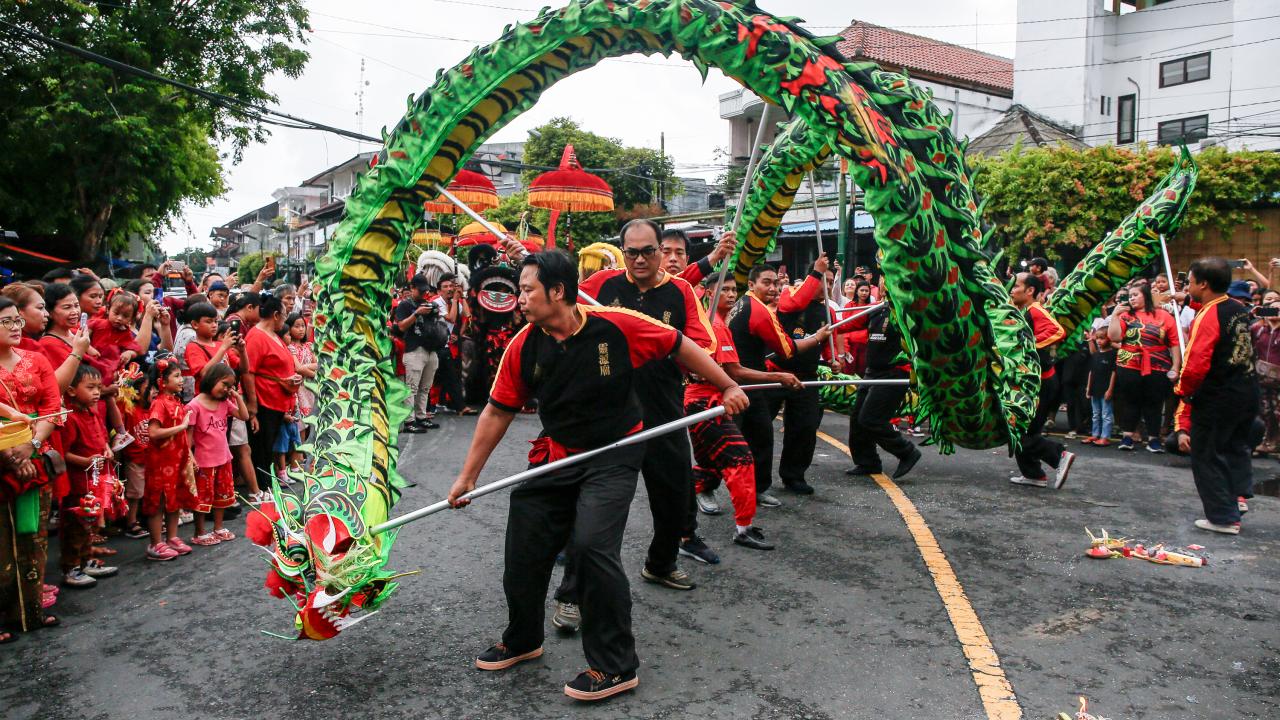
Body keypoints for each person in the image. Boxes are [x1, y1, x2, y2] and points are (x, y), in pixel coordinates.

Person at [444, 250, 748, 702]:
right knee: (525, 541)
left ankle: (615, 666)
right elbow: (497, 410)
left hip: (614, 452)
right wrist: (468, 477)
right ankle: (523, 638)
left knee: (590, 547)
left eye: (527, 290)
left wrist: (727, 384)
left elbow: (678, 343)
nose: (520, 299)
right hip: (558, 453)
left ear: (558, 291)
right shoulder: (525, 344)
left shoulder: (617, 325)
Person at [579, 219, 718, 577]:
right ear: (623, 252)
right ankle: (579, 577)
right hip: (608, 410)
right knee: (596, 498)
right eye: (632, 252)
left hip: (662, 408)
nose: (640, 259)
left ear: (659, 250)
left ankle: (661, 563)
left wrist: (673, 353)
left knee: (674, 493)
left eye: (648, 251)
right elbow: (563, 308)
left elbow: (704, 344)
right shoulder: (601, 285)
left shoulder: (681, 291)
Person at [688, 278, 791, 550]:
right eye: (725, 289)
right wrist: (778, 376)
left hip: (705, 402)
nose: (732, 294)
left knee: (708, 462)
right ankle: (742, 529)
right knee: (740, 460)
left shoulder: (716, 324)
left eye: (734, 289)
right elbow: (735, 372)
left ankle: (685, 527)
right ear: (709, 293)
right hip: (706, 403)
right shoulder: (715, 326)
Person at [728, 263, 831, 507]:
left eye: (776, 283)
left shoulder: (747, 303)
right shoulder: (762, 309)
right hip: (751, 381)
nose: (773, 288)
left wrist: (831, 355)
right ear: (751, 284)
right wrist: (816, 338)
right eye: (767, 283)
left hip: (755, 380)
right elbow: (786, 349)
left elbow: (835, 339)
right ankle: (710, 488)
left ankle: (759, 487)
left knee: (765, 434)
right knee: (739, 439)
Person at [1177, 258, 1260, 535]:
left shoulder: (1209, 316)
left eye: (1190, 282)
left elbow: (1195, 363)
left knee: (1207, 453)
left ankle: (1223, 517)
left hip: (1219, 395)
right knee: (1234, 447)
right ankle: (1236, 499)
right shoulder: (1237, 308)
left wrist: (1183, 391)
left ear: (1203, 284)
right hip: (1247, 389)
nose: (1187, 287)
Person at [0, 296, 64, 639]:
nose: (15, 327)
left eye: (17, 320)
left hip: (36, 458)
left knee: (33, 537)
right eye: (5, 321)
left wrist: (31, 446)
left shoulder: (36, 360)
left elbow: (52, 407)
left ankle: (31, 611)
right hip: (3, 460)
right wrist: (9, 455)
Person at [768, 253, 837, 495]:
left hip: (807, 376)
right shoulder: (789, 294)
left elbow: (829, 344)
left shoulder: (827, 312)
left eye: (831, 282)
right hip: (775, 373)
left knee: (804, 428)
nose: (828, 286)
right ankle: (756, 478)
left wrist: (833, 361)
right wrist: (817, 271)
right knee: (760, 425)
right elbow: (792, 305)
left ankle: (794, 475)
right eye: (824, 280)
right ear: (812, 278)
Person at [844, 283, 921, 479]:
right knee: (857, 419)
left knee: (871, 419)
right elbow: (847, 325)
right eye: (883, 281)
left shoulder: (907, 310)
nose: (885, 285)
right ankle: (867, 462)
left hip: (894, 373)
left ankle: (907, 451)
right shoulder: (876, 308)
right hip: (872, 372)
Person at [1008, 272, 1075, 489]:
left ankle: (1059, 455)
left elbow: (1057, 331)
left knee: (1020, 432)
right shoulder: (1021, 311)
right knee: (1025, 430)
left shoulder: (1035, 310)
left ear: (1030, 291)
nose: (1011, 289)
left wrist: (1028, 345)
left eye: (1016, 286)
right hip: (1033, 382)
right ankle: (1033, 474)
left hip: (1041, 383)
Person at [59, 364, 119, 587]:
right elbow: (63, 453)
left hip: (94, 481)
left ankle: (85, 561)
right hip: (77, 483)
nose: (96, 393)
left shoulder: (92, 412)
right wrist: (85, 461)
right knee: (75, 526)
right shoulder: (70, 418)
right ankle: (72, 568)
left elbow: (103, 437)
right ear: (71, 390)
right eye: (90, 387)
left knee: (89, 525)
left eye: (99, 388)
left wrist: (107, 449)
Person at [1107, 280, 1181, 452]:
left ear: (1145, 296)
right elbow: (1114, 337)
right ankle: (1127, 437)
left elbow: (1174, 343)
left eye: (1135, 295)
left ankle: (1154, 439)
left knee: (1154, 402)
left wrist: (1176, 366)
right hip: (1129, 364)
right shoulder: (1125, 315)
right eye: (1130, 296)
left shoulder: (1164, 316)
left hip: (1158, 365)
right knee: (1130, 400)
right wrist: (1115, 315)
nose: (1131, 299)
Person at [241, 292, 300, 494]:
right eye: (284, 316)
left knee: (270, 445)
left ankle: (268, 485)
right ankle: (262, 488)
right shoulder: (256, 336)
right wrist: (252, 404)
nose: (284, 320)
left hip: (278, 400)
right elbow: (248, 372)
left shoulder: (273, 335)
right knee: (262, 448)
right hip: (264, 401)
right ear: (275, 315)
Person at [186, 364, 249, 546]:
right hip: (204, 461)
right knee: (203, 498)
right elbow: (187, 438)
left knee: (222, 496)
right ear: (212, 379)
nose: (227, 389)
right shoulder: (194, 406)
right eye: (224, 384)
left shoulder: (224, 403)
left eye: (230, 386)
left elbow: (244, 416)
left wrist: (237, 396)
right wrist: (190, 457)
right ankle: (200, 532)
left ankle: (218, 527)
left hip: (224, 457)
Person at [144, 358, 194, 561]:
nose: (181, 380)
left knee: (175, 498)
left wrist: (189, 455)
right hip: (160, 462)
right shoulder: (159, 403)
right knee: (159, 501)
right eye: (176, 376)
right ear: (162, 382)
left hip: (176, 459)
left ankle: (172, 537)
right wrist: (181, 427)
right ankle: (156, 543)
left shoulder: (175, 402)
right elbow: (153, 433)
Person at [393, 274, 445, 433]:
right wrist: (417, 313)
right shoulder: (405, 305)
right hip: (414, 349)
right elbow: (401, 326)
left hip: (431, 348)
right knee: (411, 387)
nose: (424, 293)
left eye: (425, 291)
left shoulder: (428, 304)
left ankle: (421, 417)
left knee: (425, 387)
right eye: (420, 290)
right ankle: (409, 421)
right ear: (412, 288)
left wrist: (433, 311)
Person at [1251, 291, 1280, 454]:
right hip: (1261, 377)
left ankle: (1276, 443)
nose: (1275, 311)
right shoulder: (1258, 328)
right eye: (1272, 308)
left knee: (1278, 411)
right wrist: (1252, 314)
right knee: (1266, 411)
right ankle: (1268, 441)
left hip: (1278, 379)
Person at [1083, 327, 1117, 447]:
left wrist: (1110, 389)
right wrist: (1088, 387)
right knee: (1096, 413)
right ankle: (1095, 434)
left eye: (1102, 338)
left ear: (1109, 339)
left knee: (1106, 414)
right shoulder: (1096, 355)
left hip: (1105, 389)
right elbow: (1091, 372)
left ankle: (1105, 437)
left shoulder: (1112, 354)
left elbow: (1114, 373)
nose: (1099, 341)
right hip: (1095, 388)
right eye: (1097, 338)